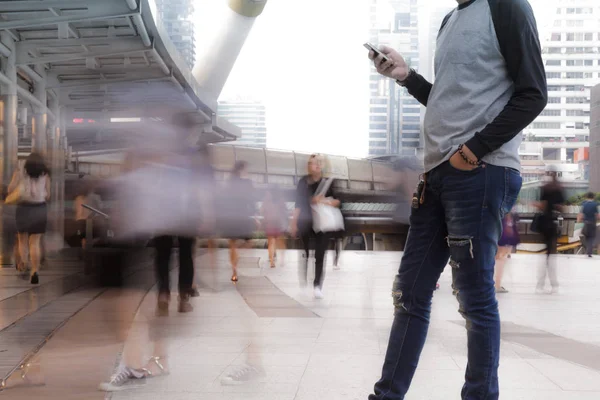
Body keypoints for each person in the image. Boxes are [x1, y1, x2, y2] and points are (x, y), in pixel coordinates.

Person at [367, 0, 546, 398]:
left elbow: (533, 94)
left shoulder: (507, 7)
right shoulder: (451, 20)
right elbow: (450, 101)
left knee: (473, 296)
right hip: (436, 175)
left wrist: (474, 150)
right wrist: (405, 75)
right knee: (409, 292)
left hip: (481, 171)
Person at [291, 154, 340, 299]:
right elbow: (298, 204)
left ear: (323, 165)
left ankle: (317, 285)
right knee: (305, 253)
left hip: (323, 223)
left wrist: (324, 201)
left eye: (319, 163)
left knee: (320, 254)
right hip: (306, 222)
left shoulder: (328, 182)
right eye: (313, 163)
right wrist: (293, 223)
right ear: (309, 166)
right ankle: (303, 281)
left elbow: (338, 201)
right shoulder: (303, 182)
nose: (317, 165)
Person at [8, 153, 51, 285]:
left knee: (23, 239)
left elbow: (10, 189)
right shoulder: (45, 174)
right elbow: (48, 195)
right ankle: (35, 271)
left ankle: (25, 263)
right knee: (35, 242)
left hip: (24, 207)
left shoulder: (20, 171)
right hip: (39, 208)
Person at [221, 161, 257, 282]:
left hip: (230, 217)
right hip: (242, 217)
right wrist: (255, 215)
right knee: (249, 243)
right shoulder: (248, 183)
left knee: (232, 245)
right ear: (242, 170)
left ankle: (234, 272)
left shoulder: (229, 183)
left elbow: (224, 200)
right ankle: (236, 262)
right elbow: (252, 201)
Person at [535, 169, 565, 294]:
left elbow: (542, 205)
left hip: (544, 223)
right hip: (553, 223)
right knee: (551, 254)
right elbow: (562, 207)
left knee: (548, 254)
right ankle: (553, 284)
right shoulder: (559, 188)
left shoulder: (545, 188)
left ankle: (541, 284)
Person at [261, 187, 288, 268]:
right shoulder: (281, 200)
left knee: (271, 243)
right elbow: (285, 211)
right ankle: (282, 260)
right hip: (279, 224)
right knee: (281, 243)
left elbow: (262, 211)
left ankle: (272, 262)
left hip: (270, 223)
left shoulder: (266, 200)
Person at [494, 211, 520, 293]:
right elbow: (507, 212)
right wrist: (508, 225)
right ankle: (496, 285)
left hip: (495, 227)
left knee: (498, 257)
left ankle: (494, 284)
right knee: (501, 258)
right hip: (501, 229)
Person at [74, 183, 103, 250]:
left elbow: (79, 212)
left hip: (81, 221)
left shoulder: (79, 198)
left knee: (83, 239)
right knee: (86, 238)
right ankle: (87, 250)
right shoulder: (86, 198)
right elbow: (97, 209)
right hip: (86, 221)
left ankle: (86, 251)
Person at [578, 192, 598, 258]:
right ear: (593, 197)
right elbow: (597, 215)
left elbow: (581, 214)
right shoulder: (595, 204)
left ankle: (588, 250)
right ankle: (589, 251)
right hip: (592, 223)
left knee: (586, 236)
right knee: (591, 237)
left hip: (586, 223)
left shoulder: (584, 204)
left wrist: (579, 220)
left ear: (587, 197)